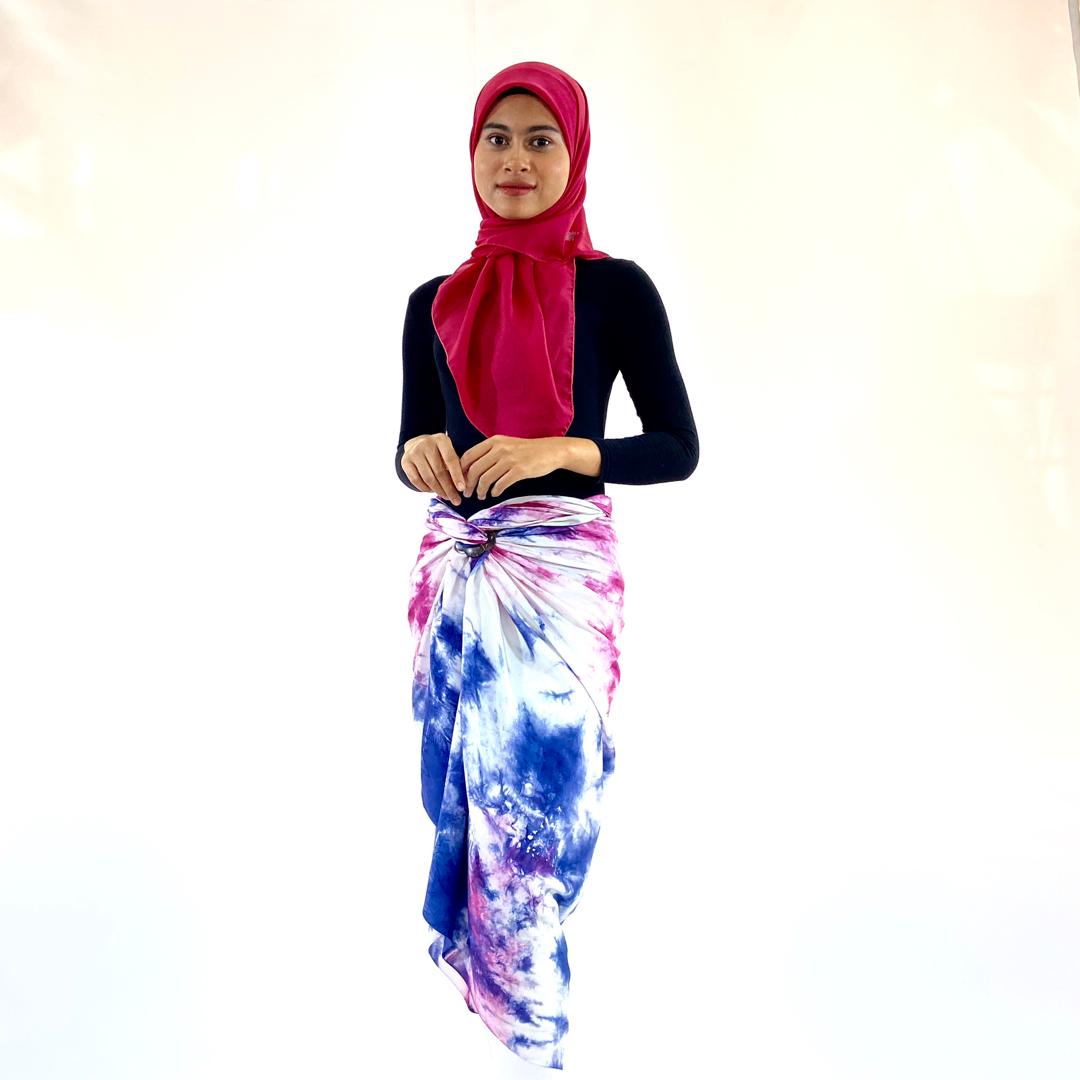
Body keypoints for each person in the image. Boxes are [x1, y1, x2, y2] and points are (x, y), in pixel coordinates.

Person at [396, 61, 699, 1071]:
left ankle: (535, 1038)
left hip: (560, 585)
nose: (515, 160)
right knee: (465, 814)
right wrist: (417, 455)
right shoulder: (432, 302)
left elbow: (676, 447)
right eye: (497, 138)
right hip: (454, 582)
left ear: (575, 155)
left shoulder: (616, 290)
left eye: (540, 140)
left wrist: (558, 453)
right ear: (471, 153)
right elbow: (411, 442)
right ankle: (508, 1041)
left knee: (537, 827)